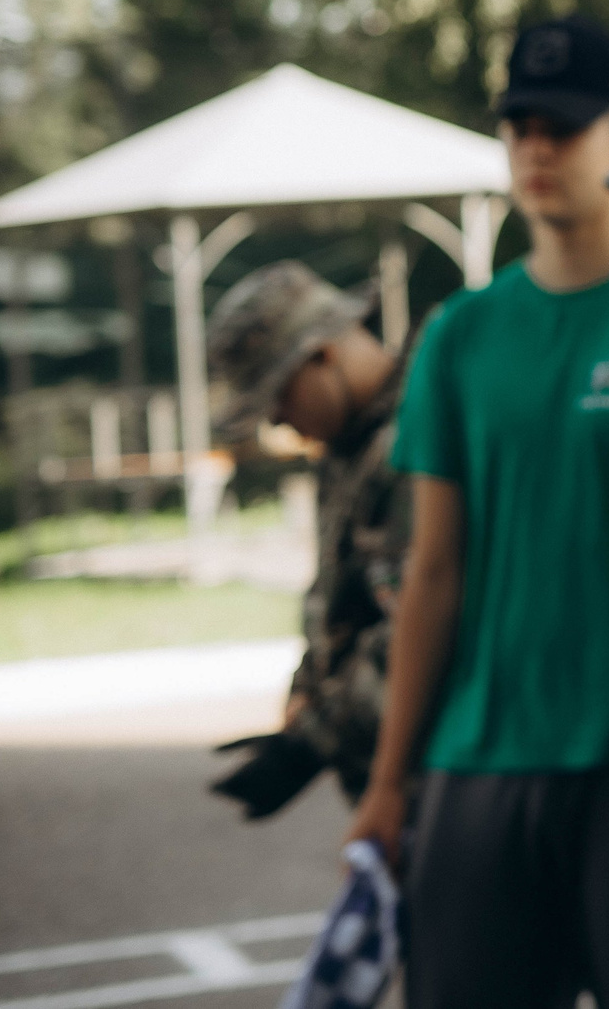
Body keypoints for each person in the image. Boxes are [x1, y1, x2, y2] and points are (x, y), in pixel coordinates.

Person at [350, 14, 609, 1009]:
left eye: (564, 127)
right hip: (480, 754)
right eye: (521, 127)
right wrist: (388, 780)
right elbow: (433, 570)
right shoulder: (460, 334)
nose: (538, 148)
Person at [204, 260, 408, 819]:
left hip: (433, 780)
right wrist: (306, 690)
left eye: (280, 393)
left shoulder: (418, 438)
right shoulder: (346, 448)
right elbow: (338, 599)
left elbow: (420, 623)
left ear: (321, 353)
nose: (276, 419)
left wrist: (316, 737)